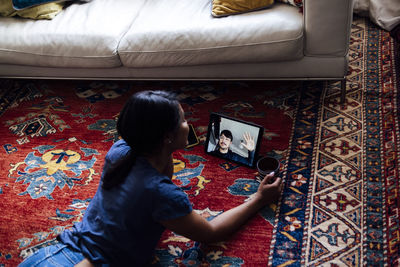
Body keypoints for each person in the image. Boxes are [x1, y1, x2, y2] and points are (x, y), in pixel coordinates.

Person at [19, 90, 282, 267]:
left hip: (55, 253)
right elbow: (211, 233)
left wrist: (168, 145)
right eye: (183, 120)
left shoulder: (119, 150)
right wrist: (258, 198)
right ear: (165, 136)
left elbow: (158, 162)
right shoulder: (162, 194)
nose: (188, 124)